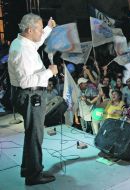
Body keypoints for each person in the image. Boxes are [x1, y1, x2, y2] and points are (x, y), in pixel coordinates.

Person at [8, 13, 58, 185]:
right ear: (29, 30)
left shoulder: (26, 42)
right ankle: (34, 175)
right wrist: (49, 72)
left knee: (33, 135)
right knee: (35, 136)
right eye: (39, 28)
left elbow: (39, 39)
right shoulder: (21, 50)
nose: (40, 33)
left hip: (31, 95)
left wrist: (48, 28)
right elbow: (25, 82)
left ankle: (30, 170)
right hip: (30, 95)